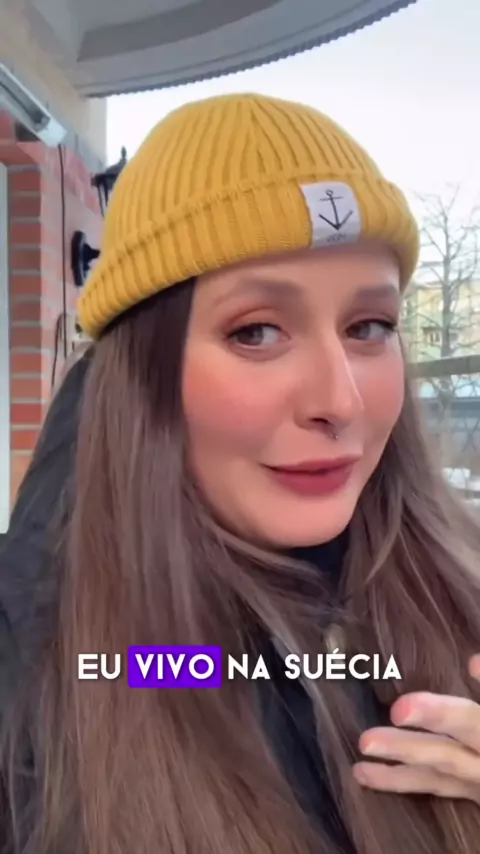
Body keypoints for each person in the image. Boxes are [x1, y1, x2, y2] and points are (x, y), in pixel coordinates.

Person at [1, 92, 480, 854]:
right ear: (141, 378)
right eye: (257, 332)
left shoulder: (462, 581)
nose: (340, 401)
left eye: (369, 326)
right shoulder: (40, 659)